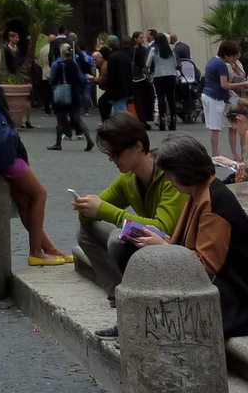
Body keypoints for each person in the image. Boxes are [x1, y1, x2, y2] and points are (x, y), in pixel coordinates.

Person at [124, 136, 248, 340]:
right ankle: (134, 323)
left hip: (233, 297)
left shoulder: (214, 203)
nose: (167, 179)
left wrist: (165, 247)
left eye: (169, 174)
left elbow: (207, 266)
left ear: (184, 171)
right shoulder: (200, 193)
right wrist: (164, 240)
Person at [0, 40, 68, 265]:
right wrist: (23, 159)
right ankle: (36, 252)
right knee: (39, 194)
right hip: (4, 156)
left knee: (24, 202)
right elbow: (9, 129)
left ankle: (50, 249)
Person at [72, 112, 184, 303]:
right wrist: (86, 208)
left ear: (138, 146)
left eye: (116, 153)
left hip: (176, 249)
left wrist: (104, 210)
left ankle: (135, 299)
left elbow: (163, 227)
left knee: (117, 239)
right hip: (150, 244)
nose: (111, 160)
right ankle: (118, 297)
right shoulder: (128, 178)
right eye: (109, 154)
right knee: (86, 231)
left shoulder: (169, 175)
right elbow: (86, 219)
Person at [46, 43, 95, 151]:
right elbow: (79, 77)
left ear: (61, 52)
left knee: (60, 119)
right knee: (77, 118)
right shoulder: (74, 64)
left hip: (62, 93)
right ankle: (89, 140)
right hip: (74, 93)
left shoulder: (57, 64)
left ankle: (58, 143)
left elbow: (52, 80)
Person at [203, 40, 240, 156]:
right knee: (215, 127)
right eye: (233, 56)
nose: (234, 59)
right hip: (215, 97)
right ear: (226, 55)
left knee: (214, 126)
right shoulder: (221, 65)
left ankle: (215, 153)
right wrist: (242, 84)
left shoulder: (213, 61)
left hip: (209, 94)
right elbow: (224, 84)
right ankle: (215, 154)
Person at [145, 31, 177, 132]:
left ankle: (162, 118)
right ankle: (173, 118)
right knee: (171, 98)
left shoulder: (154, 50)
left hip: (159, 76)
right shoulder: (171, 50)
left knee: (161, 98)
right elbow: (176, 64)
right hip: (171, 75)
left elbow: (148, 64)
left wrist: (148, 73)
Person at [101, 35, 133, 117]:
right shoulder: (125, 55)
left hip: (117, 90)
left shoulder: (112, 57)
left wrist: (109, 94)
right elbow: (129, 74)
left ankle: (124, 128)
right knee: (117, 111)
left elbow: (111, 77)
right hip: (125, 88)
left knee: (120, 112)